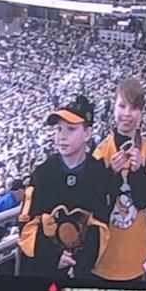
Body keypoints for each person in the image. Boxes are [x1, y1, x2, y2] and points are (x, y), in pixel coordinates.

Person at [18, 96, 118, 277]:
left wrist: (79, 262)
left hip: (83, 274)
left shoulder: (99, 174)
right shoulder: (43, 174)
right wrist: (53, 256)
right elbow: (27, 226)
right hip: (42, 272)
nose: (61, 136)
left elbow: (101, 227)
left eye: (71, 129)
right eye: (58, 129)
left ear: (87, 134)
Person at [93, 78, 146, 281]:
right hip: (101, 259)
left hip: (135, 259)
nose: (127, 114)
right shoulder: (100, 153)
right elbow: (95, 203)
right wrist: (110, 175)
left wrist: (139, 171)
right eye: (122, 106)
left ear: (141, 112)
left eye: (134, 108)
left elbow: (144, 202)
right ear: (113, 108)